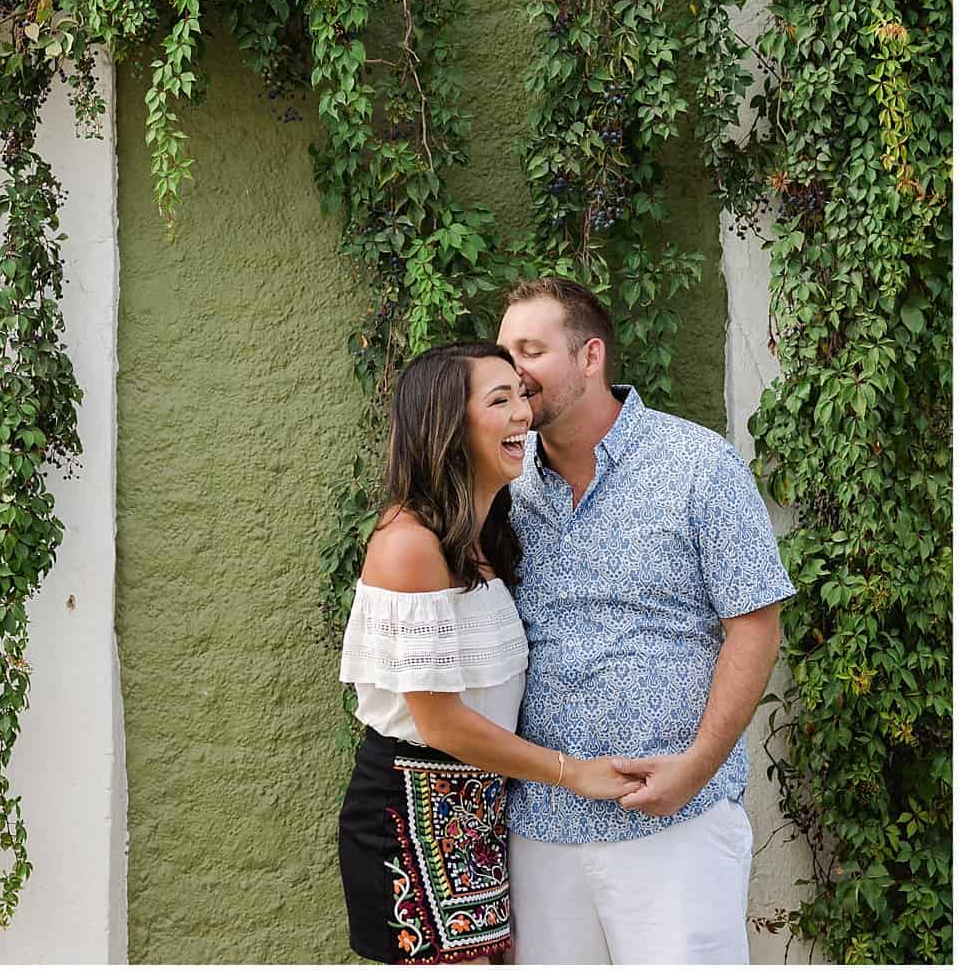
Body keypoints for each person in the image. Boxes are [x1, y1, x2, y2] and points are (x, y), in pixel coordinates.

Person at [496, 275, 796, 965]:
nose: (514, 371)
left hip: (675, 826)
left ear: (591, 357)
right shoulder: (503, 485)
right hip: (540, 828)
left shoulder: (698, 465)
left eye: (532, 350)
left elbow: (755, 625)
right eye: (505, 351)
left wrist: (696, 768)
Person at [338, 341, 633, 966]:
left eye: (521, 395)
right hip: (411, 818)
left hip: (478, 815)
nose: (523, 412)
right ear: (448, 425)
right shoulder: (409, 546)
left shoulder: (485, 541)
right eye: (500, 400)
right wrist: (573, 772)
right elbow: (440, 721)